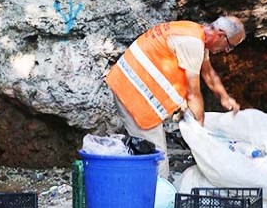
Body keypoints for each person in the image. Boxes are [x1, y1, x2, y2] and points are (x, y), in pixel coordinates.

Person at [105, 16, 246, 178]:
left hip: (127, 82)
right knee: (156, 164)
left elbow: (207, 71)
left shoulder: (196, 32)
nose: (226, 51)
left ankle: (136, 190)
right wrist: (199, 128)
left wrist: (224, 97)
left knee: (146, 155)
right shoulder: (192, 43)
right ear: (221, 35)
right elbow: (194, 93)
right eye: (229, 46)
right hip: (134, 93)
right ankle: (151, 200)